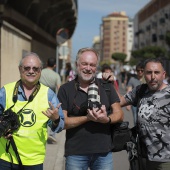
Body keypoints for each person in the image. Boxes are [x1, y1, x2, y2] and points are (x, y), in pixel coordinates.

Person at [58, 47, 123, 170]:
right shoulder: (65, 89)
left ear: (96, 67)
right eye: (84, 64)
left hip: (104, 153)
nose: (88, 68)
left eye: (92, 65)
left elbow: (119, 114)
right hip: (75, 153)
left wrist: (106, 119)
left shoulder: (106, 86)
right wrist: (87, 118)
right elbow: (63, 123)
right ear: (77, 64)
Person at [0, 52, 64, 170]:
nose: (31, 71)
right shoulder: (5, 91)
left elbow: (59, 126)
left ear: (40, 71)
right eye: (27, 68)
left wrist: (56, 119)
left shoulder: (49, 95)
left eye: (35, 68)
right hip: (6, 157)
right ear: (20, 69)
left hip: (34, 160)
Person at [119, 58, 170, 170]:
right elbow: (119, 102)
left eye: (156, 72)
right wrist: (109, 84)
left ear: (163, 74)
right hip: (142, 157)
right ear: (143, 74)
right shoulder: (140, 90)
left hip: (166, 161)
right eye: (149, 73)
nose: (153, 77)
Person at [40, 57, 61, 143]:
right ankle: (52, 134)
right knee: (53, 115)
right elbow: (59, 88)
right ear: (55, 65)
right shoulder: (56, 75)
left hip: (40, 95)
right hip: (51, 98)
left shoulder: (41, 72)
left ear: (46, 63)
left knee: (41, 114)